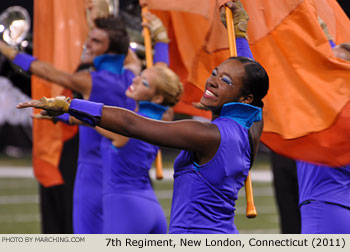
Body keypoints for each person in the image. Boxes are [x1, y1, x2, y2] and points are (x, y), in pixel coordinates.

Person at [17, 1, 269, 234]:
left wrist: (71, 105)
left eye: (224, 80)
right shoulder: (251, 129)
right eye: (214, 73)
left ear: (244, 97)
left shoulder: (208, 135)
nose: (213, 80)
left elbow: (130, 123)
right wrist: (239, 35)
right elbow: (253, 91)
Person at [0, 15, 141, 233]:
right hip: (124, 174)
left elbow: (48, 72)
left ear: (110, 49)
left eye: (96, 41)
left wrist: (11, 53)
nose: (87, 44)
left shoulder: (91, 80)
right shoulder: (133, 75)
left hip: (93, 172)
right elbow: (128, 55)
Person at [97, 65, 183, 234]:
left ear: (158, 98)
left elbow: (90, 118)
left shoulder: (130, 125)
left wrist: (64, 109)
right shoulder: (163, 117)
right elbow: (164, 82)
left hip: (125, 208)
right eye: (140, 76)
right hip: (150, 207)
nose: (135, 80)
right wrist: (161, 43)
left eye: (144, 82)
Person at [296, 42, 350, 234]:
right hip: (337, 208)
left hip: (324, 212)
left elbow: (254, 83)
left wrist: (240, 37)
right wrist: (324, 38)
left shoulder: (326, 112)